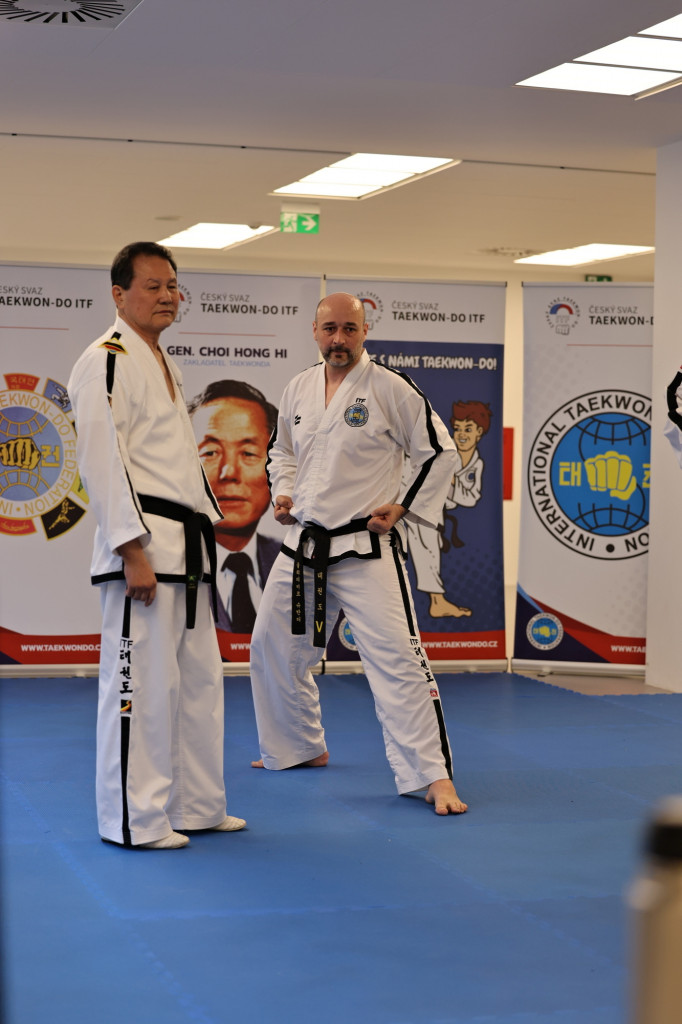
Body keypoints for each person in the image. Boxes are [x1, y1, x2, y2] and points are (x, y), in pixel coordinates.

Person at [249, 292, 468, 815]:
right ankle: (298, 746)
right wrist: (284, 493)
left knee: (399, 661)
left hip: (366, 546)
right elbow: (282, 451)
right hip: (305, 544)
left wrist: (402, 505)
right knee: (272, 646)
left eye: (349, 328)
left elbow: (439, 452)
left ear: (365, 331)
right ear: (314, 330)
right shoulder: (299, 387)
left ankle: (433, 776)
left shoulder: (391, 387)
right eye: (330, 329)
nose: (339, 339)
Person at [68, 241, 245, 849]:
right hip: (143, 551)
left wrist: (207, 527)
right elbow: (101, 457)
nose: (168, 296)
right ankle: (133, 820)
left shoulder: (164, 362)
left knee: (198, 687)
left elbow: (173, 462)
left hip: (186, 550)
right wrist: (130, 548)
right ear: (119, 295)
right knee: (139, 689)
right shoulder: (106, 359)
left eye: (172, 285)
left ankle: (196, 806)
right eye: (153, 286)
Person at [188, 380, 280, 632]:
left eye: (248, 453)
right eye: (210, 452)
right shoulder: (166, 561)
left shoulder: (291, 560)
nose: (229, 472)